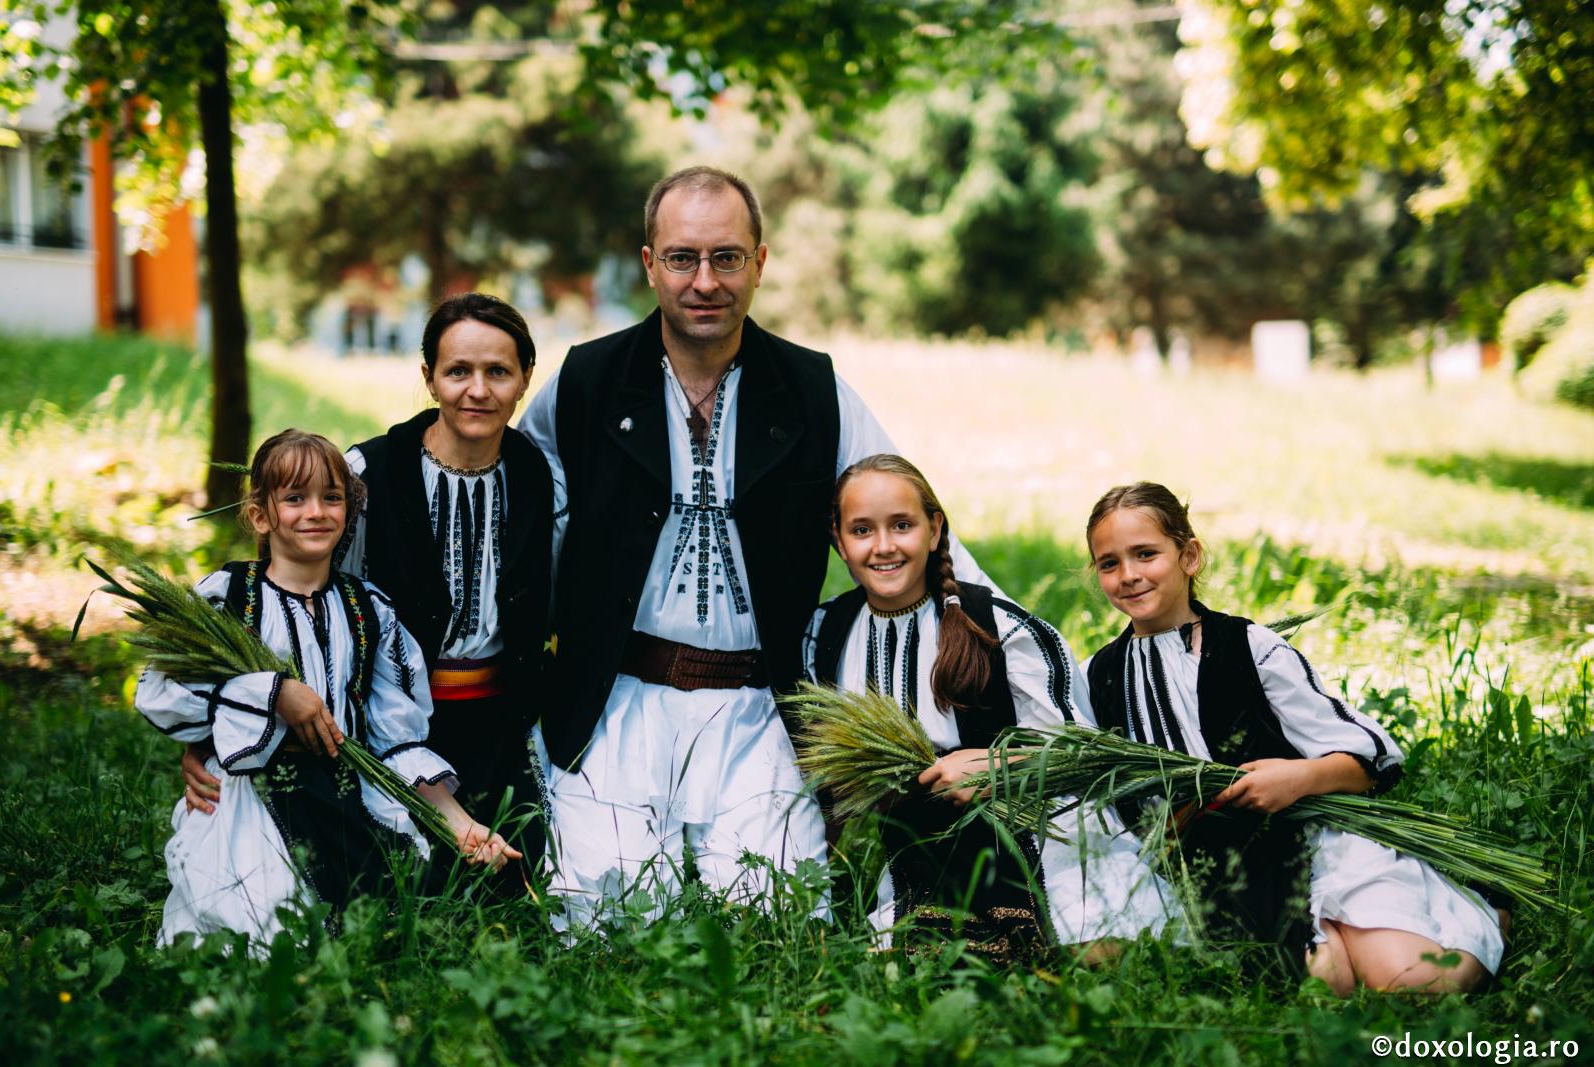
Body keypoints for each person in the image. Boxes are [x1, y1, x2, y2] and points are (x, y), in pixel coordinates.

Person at [517, 165, 990, 926]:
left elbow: (911, 515)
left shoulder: (812, 388)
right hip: (617, 701)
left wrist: (1008, 646)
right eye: (682, 257)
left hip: (759, 705)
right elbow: (510, 494)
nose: (705, 280)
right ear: (649, 264)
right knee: (610, 919)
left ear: (760, 263)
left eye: (727, 257)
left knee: (778, 914)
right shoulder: (589, 381)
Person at [1082, 481, 1506, 992]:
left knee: (1414, 983)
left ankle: (1490, 913)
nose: (1128, 575)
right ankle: (1329, 940)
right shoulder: (1099, 676)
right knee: (1326, 983)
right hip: (1221, 867)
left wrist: (1299, 777)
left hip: (1309, 835)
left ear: (1188, 556)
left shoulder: (1249, 648)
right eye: (1109, 563)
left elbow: (1371, 756)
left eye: (1145, 554)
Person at [182, 294, 555, 873]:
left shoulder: (537, 475)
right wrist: (215, 736)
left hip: (502, 719)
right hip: (381, 719)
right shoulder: (367, 474)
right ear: (429, 378)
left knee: (526, 870)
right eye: (458, 371)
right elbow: (289, 608)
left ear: (525, 379)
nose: (477, 390)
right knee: (409, 881)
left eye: (498, 372)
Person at [138, 429, 518, 946]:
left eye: (331, 497)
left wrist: (460, 825)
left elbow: (396, 740)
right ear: (260, 515)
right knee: (265, 936)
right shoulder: (231, 599)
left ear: (349, 511)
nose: (315, 511)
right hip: (257, 796)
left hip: (344, 790)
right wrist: (273, 693)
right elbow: (167, 692)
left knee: (405, 924)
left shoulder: (367, 611)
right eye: (295, 498)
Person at [804, 454, 1173, 959]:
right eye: (862, 529)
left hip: (1033, 825)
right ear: (838, 540)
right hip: (918, 846)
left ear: (934, 530)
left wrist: (993, 763)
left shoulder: (998, 627)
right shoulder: (825, 634)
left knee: (1094, 950)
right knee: (913, 961)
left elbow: (1082, 756)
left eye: (902, 525)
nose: (884, 545)